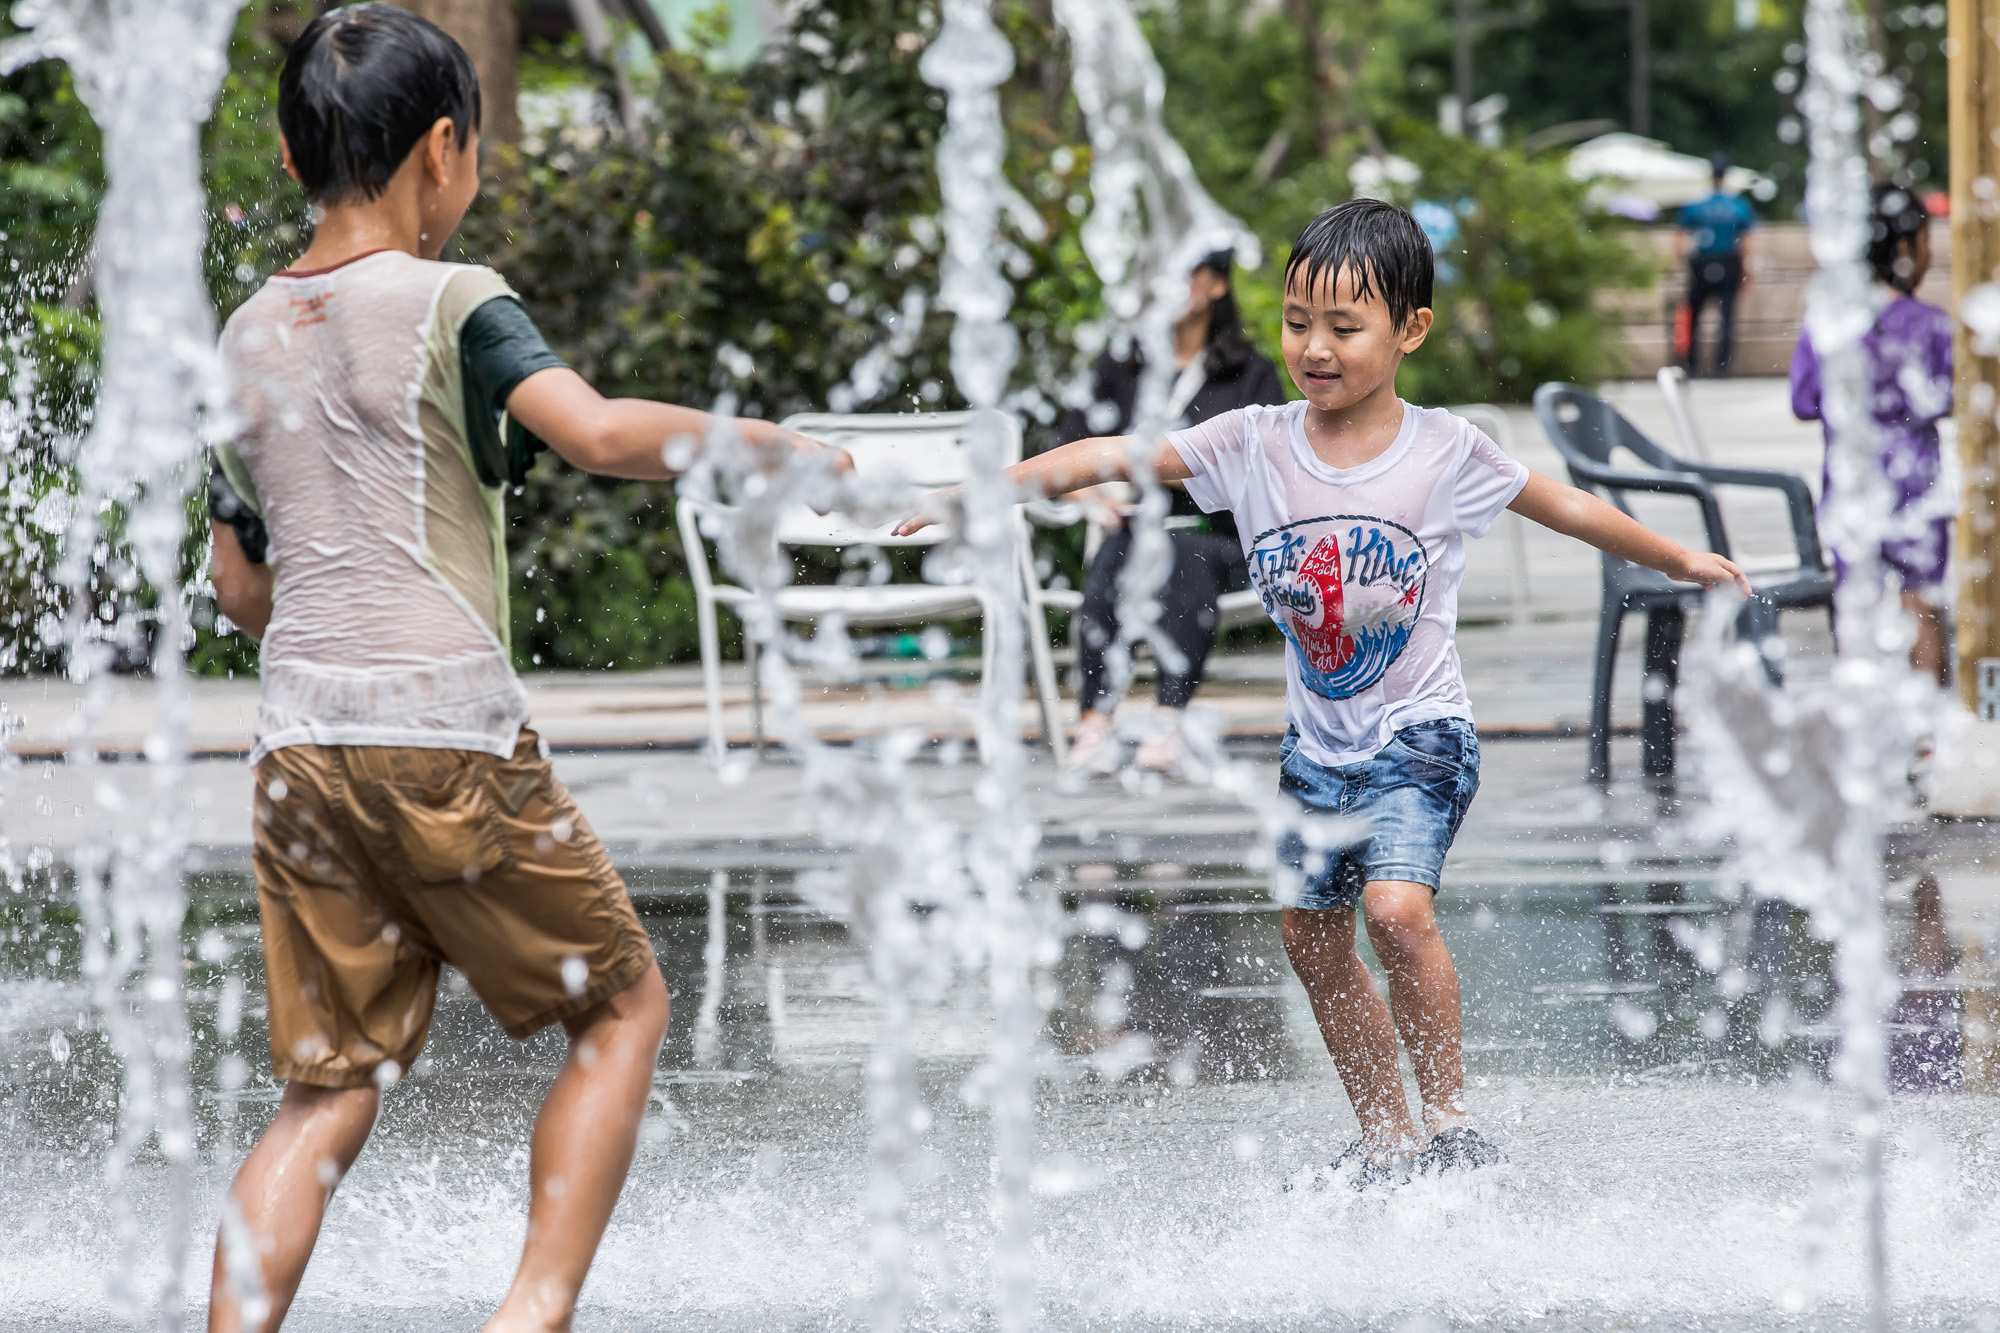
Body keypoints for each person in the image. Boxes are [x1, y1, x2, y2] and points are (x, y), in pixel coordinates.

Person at [202, 8, 842, 1329]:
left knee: (325, 1089)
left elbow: (239, 587)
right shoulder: (457, 299)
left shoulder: (241, 335)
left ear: (286, 153)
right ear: (445, 149)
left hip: (299, 755)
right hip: (447, 735)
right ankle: (531, 1315)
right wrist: (767, 443)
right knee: (621, 1011)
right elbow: (597, 431)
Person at [898, 199, 1747, 1183]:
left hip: (1422, 731)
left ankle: (1450, 1114)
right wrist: (981, 491)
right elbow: (1108, 456)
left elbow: (1557, 501)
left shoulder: (1442, 450)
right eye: (1298, 321)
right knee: (1308, 935)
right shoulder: (1251, 442)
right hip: (1316, 750)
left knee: (1393, 911)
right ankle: (1387, 1135)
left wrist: (1679, 555)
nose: (1314, 346)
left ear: (1408, 329)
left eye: (1344, 327)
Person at [1054, 251, 1288, 773]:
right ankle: (1095, 719)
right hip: (1134, 529)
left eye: (1181, 270)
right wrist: (1094, 501)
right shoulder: (1123, 367)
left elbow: (1265, 470)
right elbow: (1066, 453)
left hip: (1218, 538)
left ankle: (1168, 717)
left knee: (1182, 551)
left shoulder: (1248, 374)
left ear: (1216, 286)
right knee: (1121, 551)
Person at [1789, 183, 1953, 685]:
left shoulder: (1831, 321)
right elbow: (1949, 397)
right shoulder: (1928, 324)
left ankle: (1858, 714)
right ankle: (1926, 729)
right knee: (1920, 600)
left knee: (1855, 607)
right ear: (1906, 248)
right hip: (1914, 484)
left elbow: (1803, 402)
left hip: (1851, 482)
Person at [1677, 153, 1758, 377]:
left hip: (1702, 264)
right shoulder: (1739, 206)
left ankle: (1692, 366)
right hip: (1729, 263)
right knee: (1727, 319)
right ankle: (1721, 367)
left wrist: (1678, 264)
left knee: (1694, 317)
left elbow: (1680, 240)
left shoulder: (1695, 206)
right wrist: (1748, 271)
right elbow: (1748, 242)